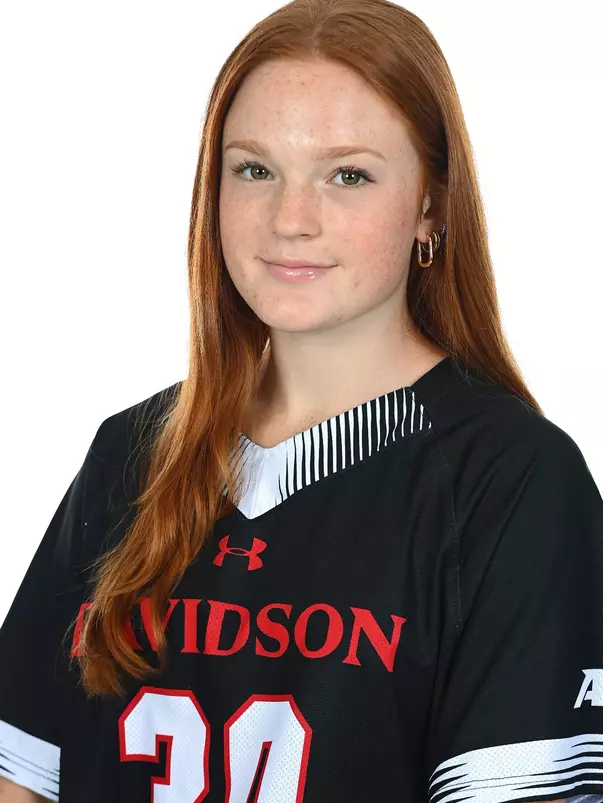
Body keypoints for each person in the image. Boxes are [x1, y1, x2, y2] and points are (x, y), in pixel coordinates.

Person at [1, 0, 603, 801]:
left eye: (347, 175)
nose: (290, 220)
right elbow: (24, 778)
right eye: (254, 169)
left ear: (431, 205)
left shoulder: (511, 483)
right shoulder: (131, 453)